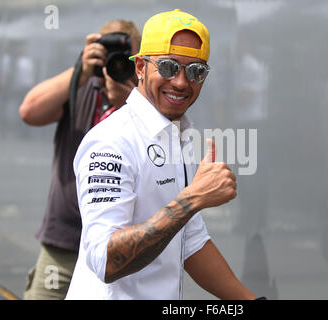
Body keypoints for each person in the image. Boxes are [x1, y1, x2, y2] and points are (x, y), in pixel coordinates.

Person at [66, 9, 257, 300]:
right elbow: (106, 261)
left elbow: (190, 240)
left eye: (196, 71)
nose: (181, 82)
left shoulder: (176, 136)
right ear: (140, 67)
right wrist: (192, 199)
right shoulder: (110, 142)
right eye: (168, 67)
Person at [19, 20, 141, 300]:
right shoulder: (81, 87)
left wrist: (132, 103)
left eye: (125, 58)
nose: (116, 63)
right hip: (63, 244)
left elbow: (162, 150)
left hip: (118, 252)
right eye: (108, 54)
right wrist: (81, 70)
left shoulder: (142, 102)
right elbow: (29, 111)